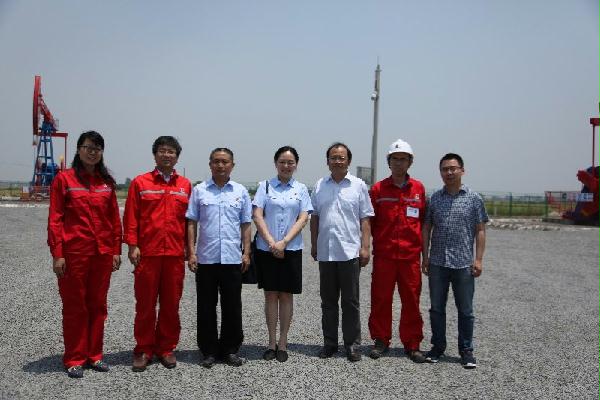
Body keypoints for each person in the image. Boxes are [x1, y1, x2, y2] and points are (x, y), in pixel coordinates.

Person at [47, 130, 122, 378]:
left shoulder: (106, 183)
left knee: (98, 306)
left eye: (97, 149)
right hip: (74, 254)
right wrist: (58, 254)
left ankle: (94, 355)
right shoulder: (64, 180)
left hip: (102, 254)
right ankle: (75, 358)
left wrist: (115, 250)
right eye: (88, 147)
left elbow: (114, 219)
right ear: (79, 150)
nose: (92, 152)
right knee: (75, 306)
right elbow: (55, 219)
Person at [123, 136, 192, 372]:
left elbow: (190, 222)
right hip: (148, 254)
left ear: (177, 157)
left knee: (171, 305)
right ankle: (143, 349)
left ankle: (166, 348)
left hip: (174, 254)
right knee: (145, 305)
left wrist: (189, 247)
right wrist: (132, 245)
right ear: (155, 155)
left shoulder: (185, 186)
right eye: (162, 151)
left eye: (171, 152)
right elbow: (131, 216)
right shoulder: (140, 183)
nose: (166, 155)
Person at [186, 148, 252, 368]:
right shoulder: (200, 190)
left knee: (232, 306)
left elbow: (246, 224)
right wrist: (191, 252)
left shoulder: (240, 191)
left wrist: (246, 252)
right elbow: (192, 222)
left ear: (232, 165)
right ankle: (209, 351)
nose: (220, 165)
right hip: (206, 258)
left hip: (232, 258)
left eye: (225, 161)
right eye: (216, 161)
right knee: (206, 306)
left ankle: (230, 349)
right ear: (210, 164)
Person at [421, 153, 488, 369]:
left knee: (465, 310)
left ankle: (466, 350)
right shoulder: (434, 199)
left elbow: (480, 230)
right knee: (436, 308)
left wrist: (478, 259)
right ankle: (437, 347)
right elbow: (426, 229)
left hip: (463, 264)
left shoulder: (474, 198)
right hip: (438, 262)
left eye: (453, 168)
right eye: (444, 169)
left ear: (462, 170)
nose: (449, 173)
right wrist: (425, 257)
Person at [310, 142, 374, 362]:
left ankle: (352, 345)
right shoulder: (320, 185)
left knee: (350, 302)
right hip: (326, 252)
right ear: (327, 161)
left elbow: (365, 219)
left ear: (349, 161)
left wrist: (365, 247)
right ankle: (329, 344)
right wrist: (314, 244)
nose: (337, 161)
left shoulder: (358, 186)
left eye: (341, 157)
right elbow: (315, 217)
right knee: (328, 302)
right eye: (333, 157)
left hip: (350, 252)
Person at [368, 139, 427, 363]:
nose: (399, 163)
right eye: (395, 159)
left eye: (403, 159)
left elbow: (423, 223)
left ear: (410, 162)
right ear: (389, 162)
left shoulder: (418, 189)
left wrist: (425, 255)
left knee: (411, 300)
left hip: (410, 257)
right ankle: (381, 340)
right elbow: (370, 222)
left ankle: (412, 344)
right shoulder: (378, 189)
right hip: (384, 256)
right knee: (381, 299)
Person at [252, 146, 312, 363]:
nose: (286, 166)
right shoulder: (265, 186)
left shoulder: (301, 189)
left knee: (286, 295)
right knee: (270, 295)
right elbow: (257, 215)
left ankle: (283, 342)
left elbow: (303, 218)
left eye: (290, 162)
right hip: (266, 249)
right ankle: (271, 342)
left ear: (296, 165)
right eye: (282, 162)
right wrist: (271, 243)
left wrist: (284, 242)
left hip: (291, 249)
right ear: (275, 163)